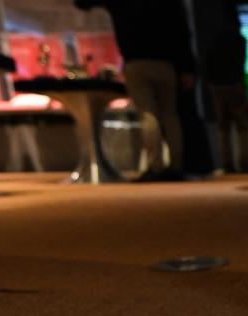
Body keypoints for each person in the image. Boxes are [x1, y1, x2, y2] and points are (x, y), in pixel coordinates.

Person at [73, 0, 194, 181]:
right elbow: (182, 32)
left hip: (136, 61)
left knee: (148, 114)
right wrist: (187, 67)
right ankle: (176, 166)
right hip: (165, 63)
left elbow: (83, 3)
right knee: (170, 115)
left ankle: (155, 166)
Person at [207, 3, 248, 174]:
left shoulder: (214, 39)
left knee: (223, 127)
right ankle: (244, 162)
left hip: (218, 85)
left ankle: (227, 163)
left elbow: (208, 62)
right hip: (235, 84)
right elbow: (241, 63)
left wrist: (212, 82)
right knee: (242, 127)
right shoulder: (239, 39)